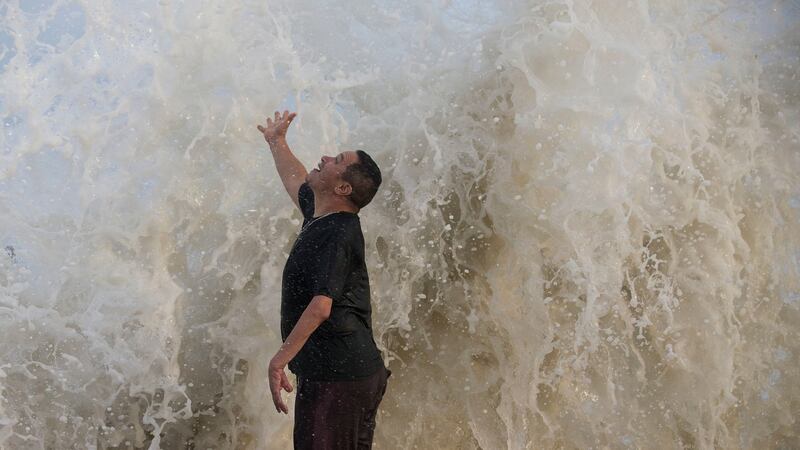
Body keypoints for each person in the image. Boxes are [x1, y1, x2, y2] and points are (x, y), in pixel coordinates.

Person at [257, 110, 391, 449]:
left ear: (343, 187)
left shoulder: (337, 232)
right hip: (346, 374)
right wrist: (277, 142)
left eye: (337, 160)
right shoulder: (322, 213)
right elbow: (296, 179)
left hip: (339, 377)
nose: (326, 157)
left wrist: (280, 360)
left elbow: (321, 307)